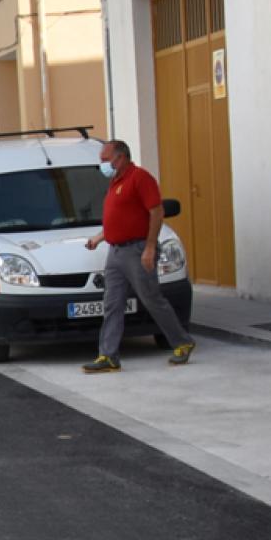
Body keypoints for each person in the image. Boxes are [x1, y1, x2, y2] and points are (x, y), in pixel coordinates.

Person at [82, 140, 195, 373]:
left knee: (151, 299)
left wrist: (150, 248)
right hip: (115, 253)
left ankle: (182, 341)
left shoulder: (140, 178)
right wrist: (99, 237)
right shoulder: (115, 182)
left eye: (105, 159)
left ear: (120, 158)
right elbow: (121, 219)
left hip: (136, 250)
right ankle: (108, 355)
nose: (102, 164)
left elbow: (156, 212)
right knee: (112, 304)